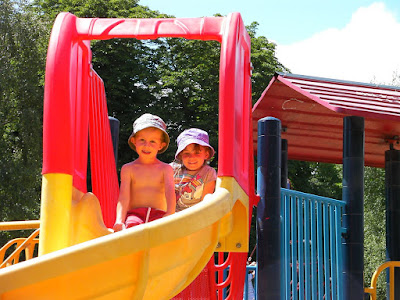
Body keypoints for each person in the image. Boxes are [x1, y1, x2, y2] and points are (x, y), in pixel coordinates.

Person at [113, 113, 176, 232]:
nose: (147, 145)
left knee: (161, 234)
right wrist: (119, 220)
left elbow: (170, 192)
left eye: (153, 141)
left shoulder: (165, 169)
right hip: (135, 215)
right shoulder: (128, 169)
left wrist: (170, 214)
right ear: (134, 141)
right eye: (142, 140)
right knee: (131, 227)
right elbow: (124, 196)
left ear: (161, 145)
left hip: (159, 215)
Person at [171, 128, 217, 212]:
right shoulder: (173, 169)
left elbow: (206, 202)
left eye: (197, 153)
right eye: (187, 153)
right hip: (173, 216)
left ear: (206, 154)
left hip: (196, 215)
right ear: (181, 155)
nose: (191, 157)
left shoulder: (208, 172)